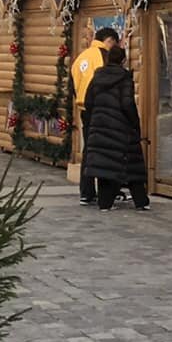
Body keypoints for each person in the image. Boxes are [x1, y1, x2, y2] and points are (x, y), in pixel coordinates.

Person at [81, 42, 150, 211]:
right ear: (123, 60)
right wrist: (135, 123)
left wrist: (96, 118)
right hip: (121, 127)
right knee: (132, 164)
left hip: (100, 126)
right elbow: (127, 103)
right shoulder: (124, 77)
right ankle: (141, 201)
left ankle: (105, 204)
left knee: (105, 166)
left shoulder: (97, 77)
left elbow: (88, 101)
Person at [70, 26, 121, 206]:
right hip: (102, 109)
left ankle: (86, 192)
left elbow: (72, 85)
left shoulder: (81, 58)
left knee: (89, 150)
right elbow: (105, 83)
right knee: (106, 149)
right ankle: (108, 191)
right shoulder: (103, 56)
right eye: (114, 43)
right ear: (109, 40)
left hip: (85, 109)